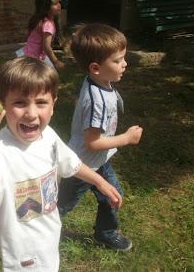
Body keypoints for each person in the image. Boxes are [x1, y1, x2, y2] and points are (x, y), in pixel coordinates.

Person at [0, 56, 123, 271]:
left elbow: (72, 164)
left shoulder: (48, 135)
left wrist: (100, 182)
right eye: (20, 102)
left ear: (53, 105)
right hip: (22, 253)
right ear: (2, 106)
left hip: (50, 236)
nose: (31, 114)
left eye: (41, 102)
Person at [57, 23, 143, 251]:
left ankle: (105, 233)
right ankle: (35, 229)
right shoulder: (98, 101)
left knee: (112, 196)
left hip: (98, 161)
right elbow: (92, 142)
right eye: (118, 60)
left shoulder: (98, 81)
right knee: (63, 205)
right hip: (82, 164)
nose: (125, 64)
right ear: (95, 67)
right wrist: (127, 138)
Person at [16, 0, 65, 70]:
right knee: (46, 79)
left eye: (59, 2)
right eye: (55, 4)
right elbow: (46, 47)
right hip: (33, 59)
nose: (59, 5)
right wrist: (56, 62)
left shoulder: (39, 19)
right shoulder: (48, 24)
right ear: (46, 7)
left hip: (28, 53)